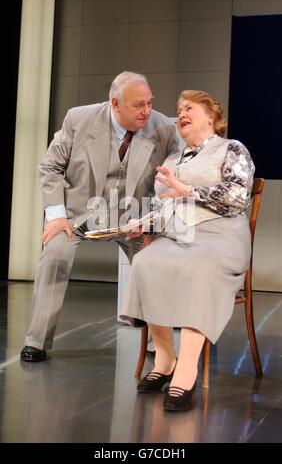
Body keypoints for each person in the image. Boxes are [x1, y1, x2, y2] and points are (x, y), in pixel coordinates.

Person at [20, 71, 179, 362]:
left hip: (133, 219)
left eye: (149, 103)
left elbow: (175, 168)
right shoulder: (79, 120)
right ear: (115, 104)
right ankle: (37, 341)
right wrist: (56, 216)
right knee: (54, 254)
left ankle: (161, 344)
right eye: (138, 105)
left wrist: (154, 214)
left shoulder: (162, 127)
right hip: (78, 215)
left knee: (155, 263)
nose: (147, 111)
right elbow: (50, 167)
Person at [120, 90, 255, 412]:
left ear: (211, 117)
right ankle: (165, 358)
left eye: (189, 108)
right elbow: (163, 207)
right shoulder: (172, 161)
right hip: (179, 235)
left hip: (220, 237)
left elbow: (239, 196)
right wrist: (145, 223)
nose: (181, 113)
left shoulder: (231, 149)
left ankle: (186, 369)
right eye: (178, 109)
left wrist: (188, 190)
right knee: (146, 261)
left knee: (199, 266)